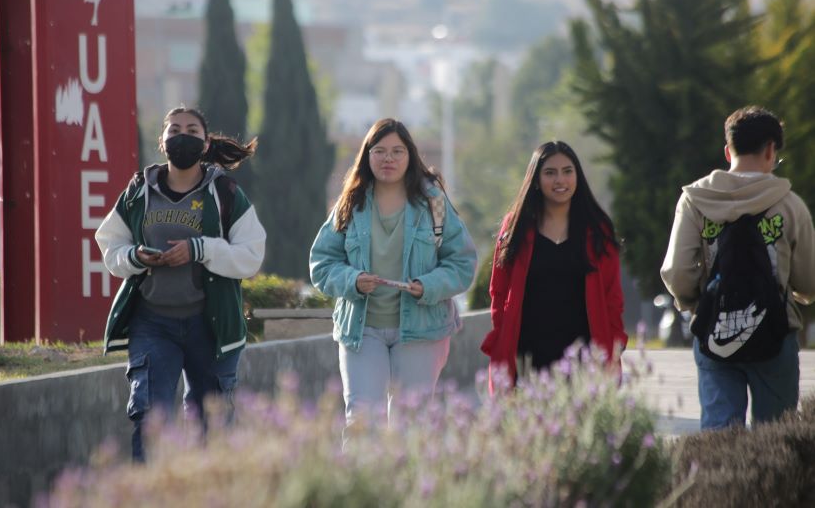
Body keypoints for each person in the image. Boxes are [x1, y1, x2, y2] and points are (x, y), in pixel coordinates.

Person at [95, 106, 266, 461]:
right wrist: (136, 257)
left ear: (205, 144)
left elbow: (251, 255)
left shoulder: (225, 191)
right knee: (149, 419)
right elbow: (110, 244)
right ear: (162, 141)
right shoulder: (139, 190)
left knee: (212, 426)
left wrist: (199, 249)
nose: (182, 136)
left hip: (211, 325)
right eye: (174, 130)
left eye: (191, 130)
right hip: (153, 324)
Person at [309, 118, 477, 434]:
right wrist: (352, 280)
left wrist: (429, 286)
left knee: (411, 424)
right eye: (380, 150)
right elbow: (322, 262)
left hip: (421, 330)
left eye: (397, 151)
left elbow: (463, 263)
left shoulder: (434, 202)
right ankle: (360, 485)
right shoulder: (351, 203)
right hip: (362, 331)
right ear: (367, 155)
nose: (389, 158)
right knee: (361, 422)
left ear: (410, 156)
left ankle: (409, 484)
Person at [661, 106, 815, 429]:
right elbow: (808, 280)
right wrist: (799, 296)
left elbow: (676, 271)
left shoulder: (695, 200)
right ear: (771, 150)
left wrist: (695, 303)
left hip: (715, 332)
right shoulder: (790, 204)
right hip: (775, 335)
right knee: (777, 441)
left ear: (727, 150)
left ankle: (719, 482)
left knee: (719, 436)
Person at [480, 141, 627, 392]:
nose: (560, 180)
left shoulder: (597, 229)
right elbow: (499, 290)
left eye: (567, 171)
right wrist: (502, 338)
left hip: (585, 356)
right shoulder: (515, 228)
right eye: (550, 172)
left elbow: (612, 295)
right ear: (536, 179)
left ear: (577, 176)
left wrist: (614, 343)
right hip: (526, 355)